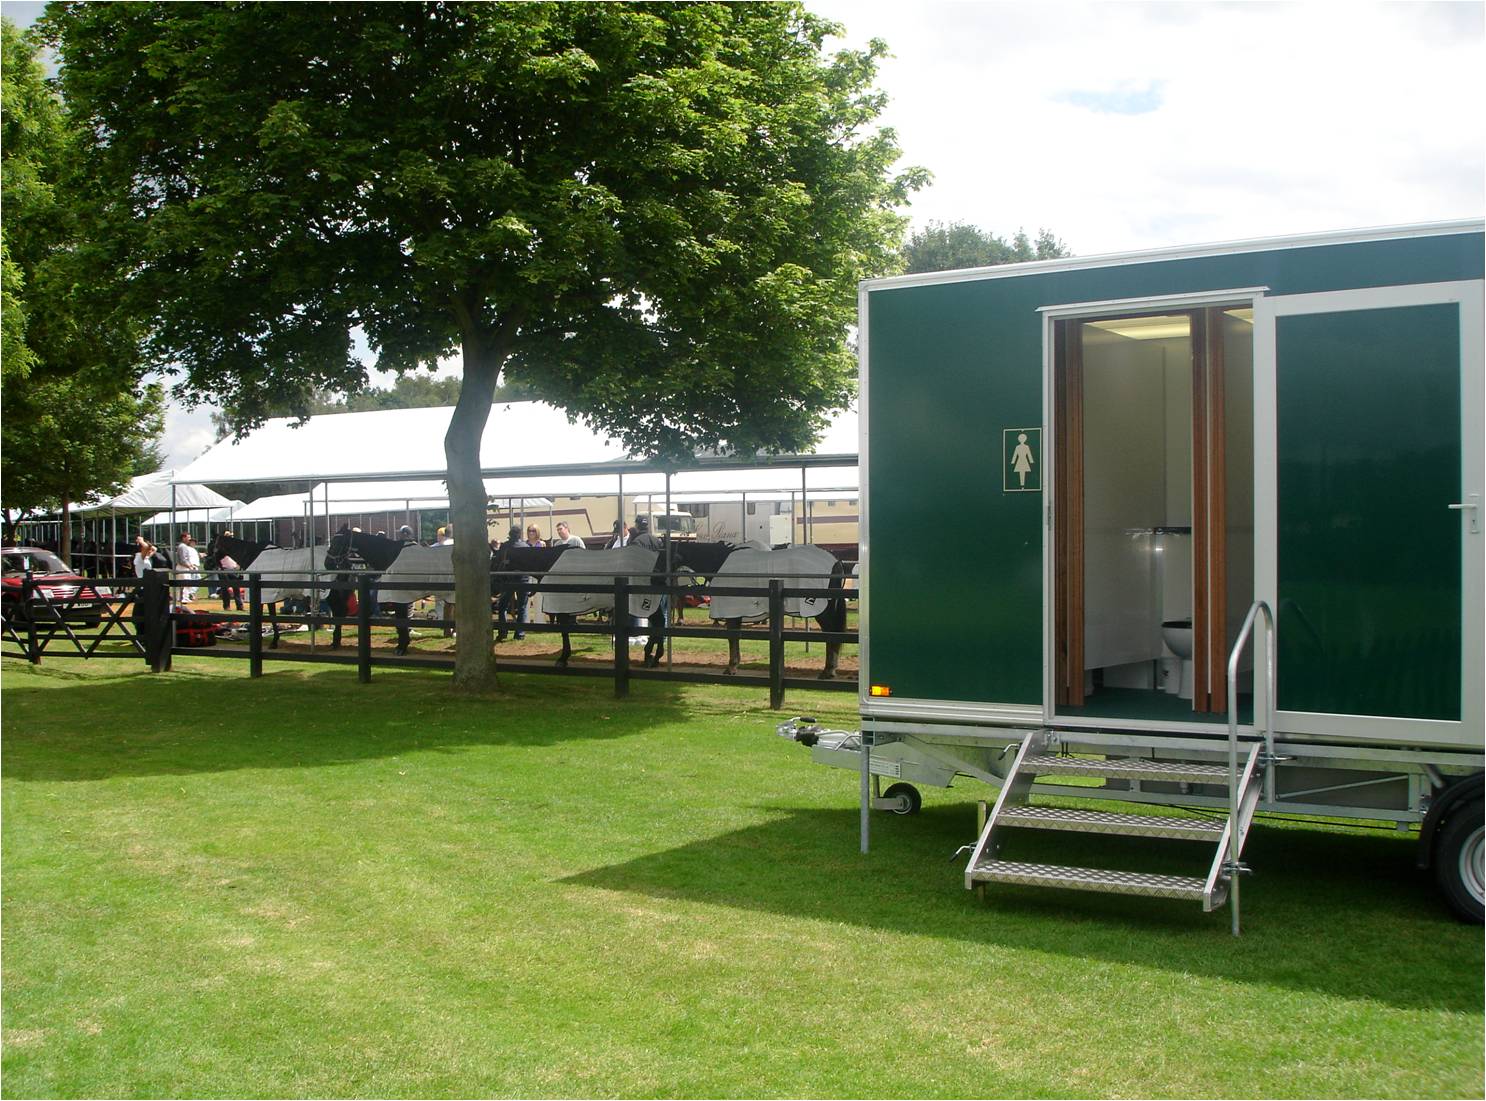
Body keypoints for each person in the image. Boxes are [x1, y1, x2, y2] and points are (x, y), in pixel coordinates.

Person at [495, 524, 529, 642]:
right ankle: (520, 633)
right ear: (520, 534)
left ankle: (503, 632)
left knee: (502, 606)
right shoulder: (525, 546)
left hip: (507, 578)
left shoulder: (505, 546)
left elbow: (498, 560)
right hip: (522, 579)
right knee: (522, 607)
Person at [174, 532, 201, 604]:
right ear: (183, 538)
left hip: (182, 567)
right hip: (182, 567)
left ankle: (181, 598)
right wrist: (190, 566)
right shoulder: (183, 546)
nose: (189, 539)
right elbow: (183, 559)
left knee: (183, 583)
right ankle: (184, 598)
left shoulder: (183, 546)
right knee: (186, 583)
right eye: (188, 537)